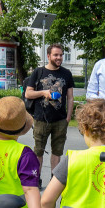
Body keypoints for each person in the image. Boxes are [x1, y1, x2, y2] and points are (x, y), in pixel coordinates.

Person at [25, 44, 75, 179]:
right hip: (41, 119)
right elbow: (28, 94)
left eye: (61, 55)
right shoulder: (38, 72)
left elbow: (70, 98)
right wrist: (43, 93)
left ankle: (54, 180)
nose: (59, 57)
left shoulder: (66, 73)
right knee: (38, 152)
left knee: (57, 152)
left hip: (60, 120)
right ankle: (37, 179)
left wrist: (68, 117)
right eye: (56, 55)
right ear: (48, 56)